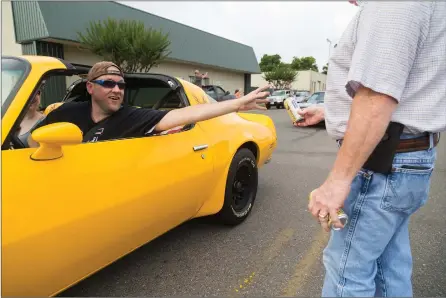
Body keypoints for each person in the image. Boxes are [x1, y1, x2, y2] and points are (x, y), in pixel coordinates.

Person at [297, 1, 445, 297]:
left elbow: (377, 95)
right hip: (404, 157)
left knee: (347, 272)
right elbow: (407, 86)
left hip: (384, 164)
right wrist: (331, 112)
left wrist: (338, 181)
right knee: (389, 267)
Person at [28, 62, 270, 147]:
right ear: (90, 87)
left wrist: (238, 103)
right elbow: (30, 142)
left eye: (121, 85)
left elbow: (186, 114)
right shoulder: (66, 111)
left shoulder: (131, 116)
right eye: (108, 84)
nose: (116, 90)